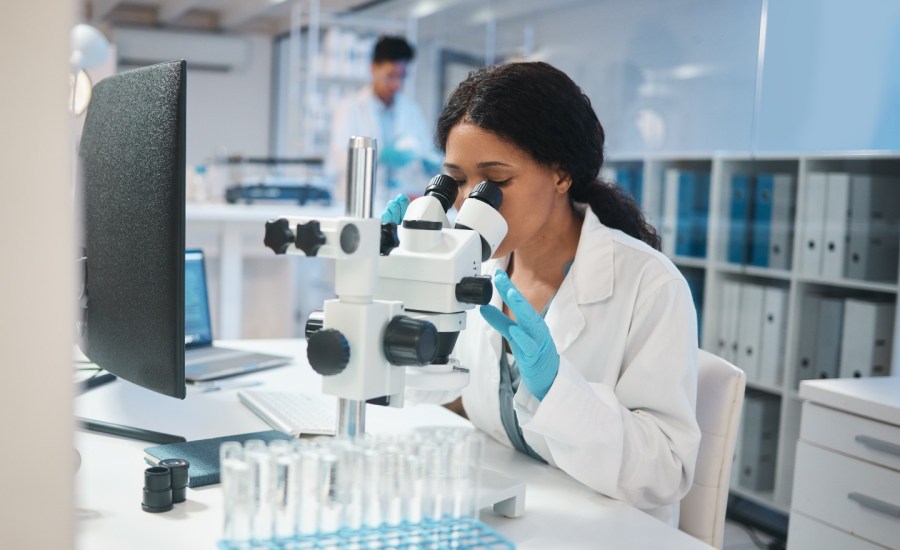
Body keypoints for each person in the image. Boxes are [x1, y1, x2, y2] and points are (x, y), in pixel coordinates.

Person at [388, 61, 701, 527]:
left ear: (561, 173)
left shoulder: (650, 285)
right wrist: (398, 290)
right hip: (514, 512)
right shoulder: (475, 263)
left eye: (495, 182)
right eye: (456, 181)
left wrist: (560, 391)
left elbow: (665, 472)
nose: (471, 202)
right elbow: (460, 403)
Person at [328, 35, 439, 208]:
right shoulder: (350, 109)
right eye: (390, 76)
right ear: (373, 69)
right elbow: (339, 160)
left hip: (399, 204)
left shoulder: (411, 111)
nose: (397, 84)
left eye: (402, 76)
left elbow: (422, 150)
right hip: (358, 204)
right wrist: (379, 156)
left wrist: (430, 161)